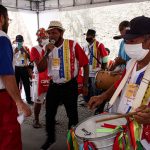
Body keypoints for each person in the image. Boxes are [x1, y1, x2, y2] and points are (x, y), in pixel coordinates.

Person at [88, 16, 150, 149]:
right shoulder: (131, 63)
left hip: (142, 138)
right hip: (121, 125)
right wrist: (102, 96)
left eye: (132, 41)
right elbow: (119, 85)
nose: (127, 45)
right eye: (125, 41)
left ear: (149, 41)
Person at [38, 21, 89, 150]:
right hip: (54, 86)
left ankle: (72, 141)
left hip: (69, 85)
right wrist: (46, 53)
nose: (51, 36)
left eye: (54, 33)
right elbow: (40, 68)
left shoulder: (72, 45)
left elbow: (85, 64)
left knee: (72, 115)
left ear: (61, 33)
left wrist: (85, 84)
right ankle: (50, 139)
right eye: (49, 33)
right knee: (49, 114)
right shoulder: (47, 48)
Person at [0, 4, 31, 150]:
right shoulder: (1, 37)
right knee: (8, 139)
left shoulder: (23, 48)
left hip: (22, 70)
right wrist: (19, 102)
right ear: (1, 19)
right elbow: (6, 73)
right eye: (8, 19)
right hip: (2, 98)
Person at [30, 28, 50, 128]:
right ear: (38, 39)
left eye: (46, 37)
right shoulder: (34, 49)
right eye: (43, 37)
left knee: (50, 99)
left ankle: (49, 118)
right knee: (38, 100)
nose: (45, 39)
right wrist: (46, 52)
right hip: (39, 77)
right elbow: (39, 66)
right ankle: (36, 119)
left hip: (50, 76)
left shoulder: (51, 47)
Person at [83, 29, 108, 103]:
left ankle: (95, 102)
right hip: (87, 71)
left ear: (94, 36)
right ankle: (87, 101)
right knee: (86, 87)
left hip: (96, 71)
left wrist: (103, 69)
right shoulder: (85, 46)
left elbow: (105, 57)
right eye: (87, 35)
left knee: (95, 88)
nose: (88, 37)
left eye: (89, 35)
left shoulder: (99, 45)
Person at [13, 34, 33, 104]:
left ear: (23, 41)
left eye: (20, 41)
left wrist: (24, 51)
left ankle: (28, 99)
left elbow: (30, 58)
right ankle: (17, 100)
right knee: (16, 84)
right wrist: (15, 51)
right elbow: (10, 56)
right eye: (18, 41)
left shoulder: (26, 48)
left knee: (26, 84)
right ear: (16, 41)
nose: (19, 43)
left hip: (24, 68)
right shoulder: (13, 47)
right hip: (16, 68)